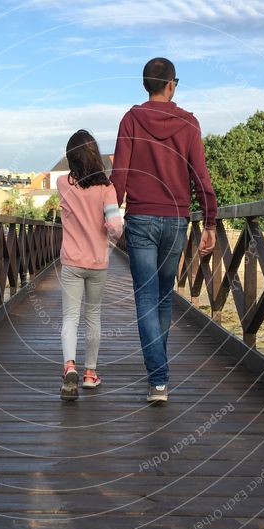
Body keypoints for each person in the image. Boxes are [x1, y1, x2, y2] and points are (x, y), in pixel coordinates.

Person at [111, 57, 217, 404]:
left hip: (140, 218)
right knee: (163, 296)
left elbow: (120, 175)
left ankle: (158, 379)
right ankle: (159, 376)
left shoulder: (131, 119)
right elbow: (200, 177)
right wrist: (210, 221)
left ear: (146, 84)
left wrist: (110, 218)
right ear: (171, 84)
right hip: (176, 220)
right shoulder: (189, 123)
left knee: (145, 296)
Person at [57, 130, 123, 402]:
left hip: (71, 261)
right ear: (95, 154)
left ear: (71, 158)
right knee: (93, 316)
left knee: (69, 318)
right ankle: (89, 374)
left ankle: (69, 366)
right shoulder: (107, 189)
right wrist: (109, 231)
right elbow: (116, 228)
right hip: (97, 262)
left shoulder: (63, 183)